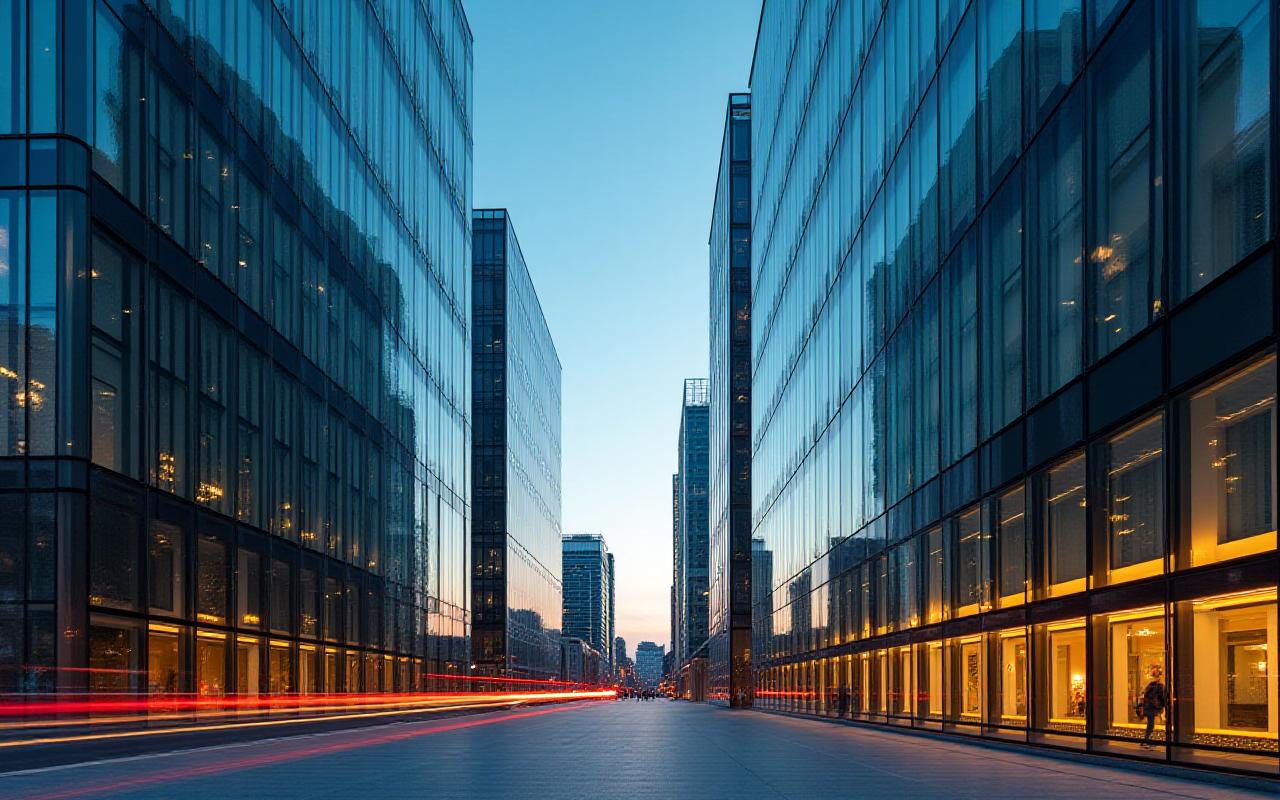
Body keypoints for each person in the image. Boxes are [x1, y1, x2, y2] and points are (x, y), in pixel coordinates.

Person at [1138, 665, 1168, 750]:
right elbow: (1162, 697)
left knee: (1151, 725)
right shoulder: (1158, 686)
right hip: (1152, 708)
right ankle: (1146, 741)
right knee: (1151, 725)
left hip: (1150, 707)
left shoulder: (1150, 685)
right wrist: (1164, 706)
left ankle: (1147, 741)